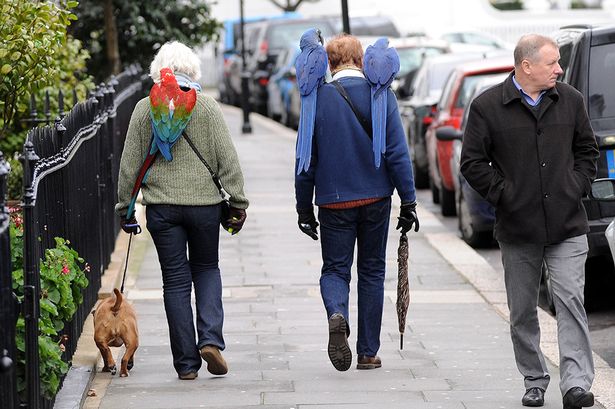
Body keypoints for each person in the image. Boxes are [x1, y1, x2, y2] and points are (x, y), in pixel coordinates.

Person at [460, 34, 598, 409]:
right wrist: (506, 195)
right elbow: (472, 163)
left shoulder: (570, 100)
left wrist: (576, 185)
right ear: (526, 66)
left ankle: (576, 384)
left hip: (568, 223)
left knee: (570, 301)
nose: (559, 69)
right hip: (518, 229)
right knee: (522, 310)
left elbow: (587, 150)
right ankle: (534, 380)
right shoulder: (488, 106)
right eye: (552, 63)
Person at [115, 41, 248, 380]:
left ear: (158, 72)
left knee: (174, 282)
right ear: (193, 71)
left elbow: (129, 166)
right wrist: (238, 201)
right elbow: (227, 161)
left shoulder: (145, 109)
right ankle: (211, 340)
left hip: (162, 210)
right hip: (204, 208)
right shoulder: (207, 107)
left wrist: (124, 208)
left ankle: (186, 365)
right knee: (206, 269)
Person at [294, 34, 419, 372]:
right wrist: (408, 201)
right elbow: (397, 153)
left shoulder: (315, 98)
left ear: (329, 63)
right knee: (372, 270)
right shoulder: (382, 96)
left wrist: (303, 206)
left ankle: (337, 312)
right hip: (376, 198)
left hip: (333, 202)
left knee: (335, 269)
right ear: (362, 62)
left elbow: (305, 157)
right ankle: (368, 352)